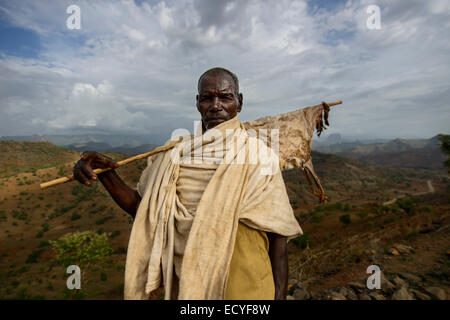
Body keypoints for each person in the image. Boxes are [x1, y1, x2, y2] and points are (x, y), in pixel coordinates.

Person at [73, 67, 302, 300]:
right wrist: (103, 172)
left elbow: (278, 236)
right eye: (207, 98)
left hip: (246, 286)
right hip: (188, 283)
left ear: (239, 102)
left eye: (224, 97)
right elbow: (144, 209)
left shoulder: (259, 156)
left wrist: (280, 296)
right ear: (197, 103)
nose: (215, 105)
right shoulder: (174, 152)